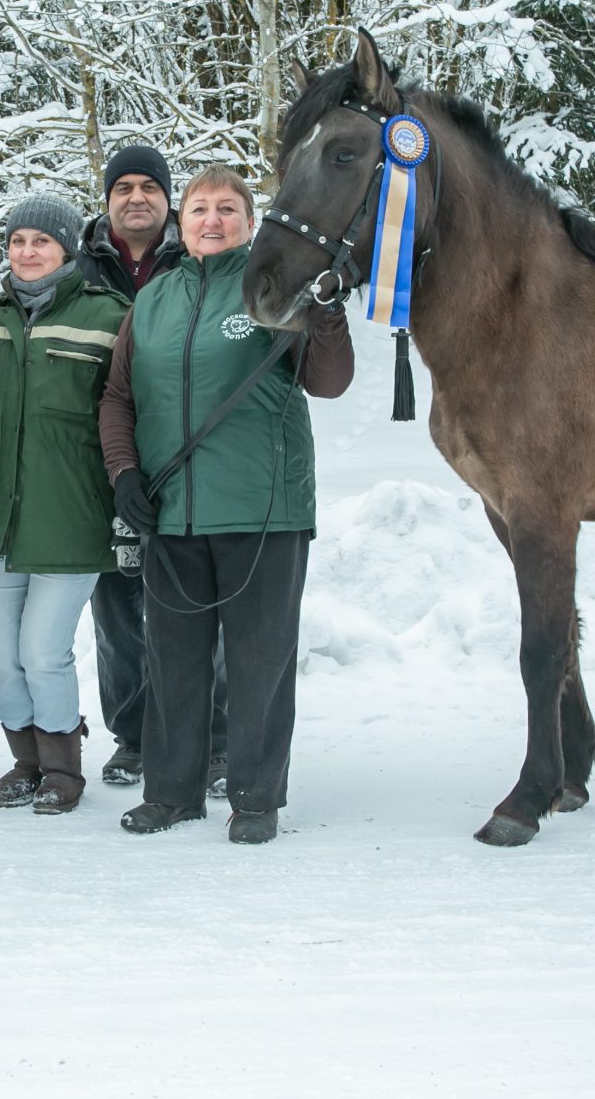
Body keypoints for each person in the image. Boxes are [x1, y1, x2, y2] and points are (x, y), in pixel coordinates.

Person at [99, 166, 353, 844]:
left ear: (249, 220)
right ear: (180, 223)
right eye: (198, 209)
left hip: (262, 511)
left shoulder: (271, 288)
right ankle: (173, 793)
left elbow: (328, 381)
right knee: (171, 658)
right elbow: (119, 397)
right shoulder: (152, 301)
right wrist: (125, 473)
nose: (211, 220)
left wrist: (325, 316)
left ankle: (255, 798)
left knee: (259, 660)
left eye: (227, 209)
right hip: (171, 512)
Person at [0, 193, 128, 815]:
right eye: (17, 242)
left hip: (72, 519)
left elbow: (130, 410)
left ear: (68, 248)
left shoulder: (109, 316)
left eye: (42, 241)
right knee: (2, 658)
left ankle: (63, 767)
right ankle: (24, 762)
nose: (27, 253)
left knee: (41, 651)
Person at [76, 144, 227, 792]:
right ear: (107, 198)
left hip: (187, 465)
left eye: (149, 186)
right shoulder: (77, 269)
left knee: (199, 606)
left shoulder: (198, 258)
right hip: (100, 466)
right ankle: (134, 736)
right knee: (117, 612)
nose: (136, 196)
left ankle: (215, 741)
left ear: (168, 199)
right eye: (123, 187)